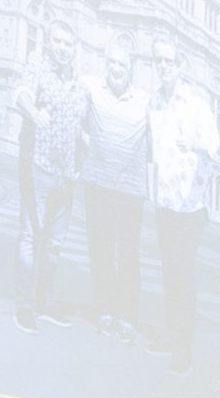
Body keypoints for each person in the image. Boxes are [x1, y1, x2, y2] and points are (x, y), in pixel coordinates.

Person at [145, 36, 219, 373]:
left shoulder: (195, 103)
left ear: (180, 65)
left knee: (183, 276)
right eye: (158, 61)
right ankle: (170, 334)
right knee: (168, 272)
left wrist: (195, 142)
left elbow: (214, 142)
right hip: (166, 202)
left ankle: (184, 346)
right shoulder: (155, 104)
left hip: (190, 207)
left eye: (169, 61)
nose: (163, 66)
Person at [13, 15, 85, 333]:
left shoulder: (79, 84)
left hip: (66, 176)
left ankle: (44, 303)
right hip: (38, 168)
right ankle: (25, 307)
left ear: (75, 49)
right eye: (57, 41)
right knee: (30, 236)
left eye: (67, 44)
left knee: (54, 244)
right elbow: (21, 94)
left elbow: (83, 128)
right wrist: (33, 111)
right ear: (47, 42)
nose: (62, 48)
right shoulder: (37, 66)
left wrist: (84, 155)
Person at [82, 36, 152, 340]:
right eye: (111, 62)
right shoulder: (92, 90)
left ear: (131, 68)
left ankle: (128, 315)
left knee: (127, 254)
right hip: (97, 184)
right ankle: (105, 310)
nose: (116, 68)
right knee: (100, 250)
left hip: (130, 190)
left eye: (122, 63)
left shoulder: (146, 102)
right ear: (105, 65)